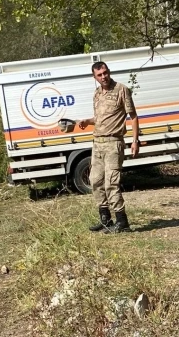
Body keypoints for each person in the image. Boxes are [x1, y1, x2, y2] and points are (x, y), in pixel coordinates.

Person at [78, 62, 139, 233]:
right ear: (94, 77)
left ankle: (122, 222)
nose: (103, 77)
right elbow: (99, 118)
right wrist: (86, 121)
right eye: (99, 75)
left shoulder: (121, 89)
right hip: (97, 143)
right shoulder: (97, 94)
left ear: (109, 72)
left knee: (111, 182)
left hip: (114, 143)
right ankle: (105, 219)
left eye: (105, 73)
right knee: (95, 181)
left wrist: (135, 141)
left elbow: (133, 116)